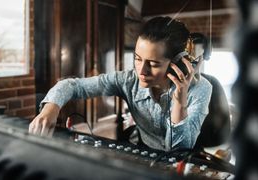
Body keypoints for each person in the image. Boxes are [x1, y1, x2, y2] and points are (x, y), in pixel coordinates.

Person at [29, 16, 212, 151]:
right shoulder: (128, 79)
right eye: (138, 59)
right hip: (143, 154)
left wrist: (180, 102)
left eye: (154, 64)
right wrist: (50, 109)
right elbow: (73, 85)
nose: (141, 71)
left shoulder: (201, 89)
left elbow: (180, 149)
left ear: (175, 65)